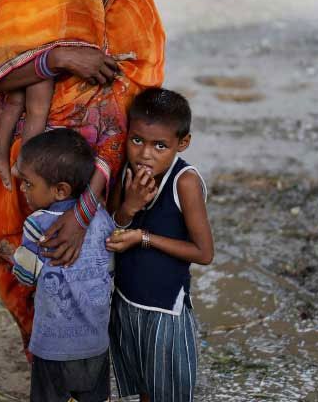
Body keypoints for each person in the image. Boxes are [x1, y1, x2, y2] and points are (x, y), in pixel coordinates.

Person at [0, 0, 166, 353]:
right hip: (31, 168)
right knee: (29, 265)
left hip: (99, 172)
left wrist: (84, 211)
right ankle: (42, 359)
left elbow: (129, 113)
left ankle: (84, 364)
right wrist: (58, 58)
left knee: (89, 274)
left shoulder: (135, 0)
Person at [105, 88, 214, 402]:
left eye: (160, 146)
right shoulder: (127, 170)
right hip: (126, 302)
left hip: (165, 310)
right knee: (145, 389)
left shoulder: (185, 182)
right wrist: (131, 206)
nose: (145, 154)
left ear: (182, 143)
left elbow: (204, 253)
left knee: (167, 391)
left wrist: (144, 238)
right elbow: (113, 226)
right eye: (137, 140)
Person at [11, 129, 114, 402]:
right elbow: (110, 267)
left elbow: (25, 276)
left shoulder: (37, 224)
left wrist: (13, 255)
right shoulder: (103, 219)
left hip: (52, 346)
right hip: (95, 343)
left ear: (60, 190)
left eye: (28, 184)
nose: (23, 189)